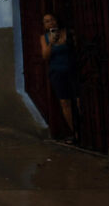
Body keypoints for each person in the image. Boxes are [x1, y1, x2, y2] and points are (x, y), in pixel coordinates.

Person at [40, 13, 78, 144]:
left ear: (57, 20)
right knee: (65, 102)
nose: (50, 23)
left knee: (78, 100)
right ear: (44, 26)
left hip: (73, 71)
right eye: (46, 22)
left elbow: (77, 49)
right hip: (57, 73)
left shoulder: (69, 33)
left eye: (52, 20)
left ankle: (85, 131)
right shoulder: (44, 38)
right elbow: (45, 56)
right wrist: (51, 43)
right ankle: (75, 133)